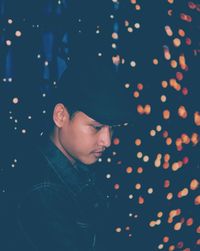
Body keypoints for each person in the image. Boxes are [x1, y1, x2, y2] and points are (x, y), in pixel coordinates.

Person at [3, 57, 134, 251]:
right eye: (96, 127)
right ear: (61, 116)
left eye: (111, 129)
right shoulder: (43, 193)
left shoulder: (75, 165)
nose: (107, 141)